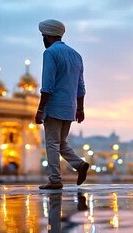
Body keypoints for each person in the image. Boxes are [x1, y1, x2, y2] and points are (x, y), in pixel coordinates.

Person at [36, 19, 90, 190]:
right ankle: (80, 165)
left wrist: (40, 109)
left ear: (48, 36)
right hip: (70, 107)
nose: (43, 39)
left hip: (54, 106)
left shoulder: (50, 53)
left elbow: (48, 85)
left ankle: (54, 180)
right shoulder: (76, 55)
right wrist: (80, 108)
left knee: (52, 143)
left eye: (43, 36)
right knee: (61, 142)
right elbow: (81, 86)